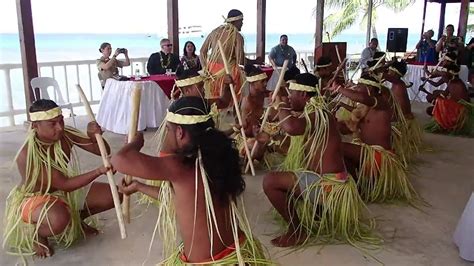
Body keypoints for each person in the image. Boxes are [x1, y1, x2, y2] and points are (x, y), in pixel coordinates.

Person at [111, 97, 271, 265]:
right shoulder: (217, 157)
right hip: (237, 251)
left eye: (168, 130)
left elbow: (120, 160)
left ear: (180, 132)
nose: (165, 136)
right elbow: (185, 201)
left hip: (207, 262)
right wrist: (138, 186)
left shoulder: (179, 166)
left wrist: (136, 142)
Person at [263, 73, 379, 248]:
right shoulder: (317, 113)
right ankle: (319, 211)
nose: (289, 96)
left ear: (303, 95)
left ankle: (297, 231)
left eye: (292, 93)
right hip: (328, 183)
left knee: (270, 181)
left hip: (329, 186)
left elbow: (291, 127)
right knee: (287, 175)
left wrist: (282, 105)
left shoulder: (319, 114)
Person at [3, 99, 119, 258]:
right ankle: (39, 234)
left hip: (63, 192)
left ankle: (76, 221)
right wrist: (99, 171)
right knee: (58, 218)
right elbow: (65, 184)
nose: (60, 128)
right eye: (52, 124)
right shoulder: (27, 154)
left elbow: (103, 151)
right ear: (35, 126)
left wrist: (94, 137)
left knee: (114, 194)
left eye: (61, 121)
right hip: (36, 198)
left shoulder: (66, 135)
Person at [335, 76, 419, 203]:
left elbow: (363, 98)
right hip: (367, 153)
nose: (356, 88)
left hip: (379, 157)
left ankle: (359, 186)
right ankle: (358, 186)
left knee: (341, 148)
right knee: (341, 151)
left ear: (369, 88)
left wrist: (339, 89)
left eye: (359, 86)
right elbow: (346, 129)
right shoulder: (362, 109)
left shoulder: (382, 103)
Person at [200, 9, 263, 99]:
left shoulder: (215, 32)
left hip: (212, 73)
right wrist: (255, 61)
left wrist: (205, 69)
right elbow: (240, 60)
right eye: (241, 21)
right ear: (236, 21)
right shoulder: (237, 36)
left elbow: (202, 51)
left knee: (214, 100)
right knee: (231, 100)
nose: (242, 24)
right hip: (228, 73)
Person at [383, 60, 423, 163]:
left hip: (401, 119)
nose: (388, 72)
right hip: (401, 117)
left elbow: (381, 74)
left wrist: (377, 69)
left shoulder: (398, 83)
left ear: (395, 73)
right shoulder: (398, 83)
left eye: (390, 71)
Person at [423, 64, 474, 136]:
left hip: (459, 114)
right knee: (435, 101)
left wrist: (425, 91)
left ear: (450, 74)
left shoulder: (453, 84)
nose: (443, 75)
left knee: (435, 105)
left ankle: (448, 124)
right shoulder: (456, 81)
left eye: (444, 73)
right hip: (461, 111)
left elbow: (440, 98)